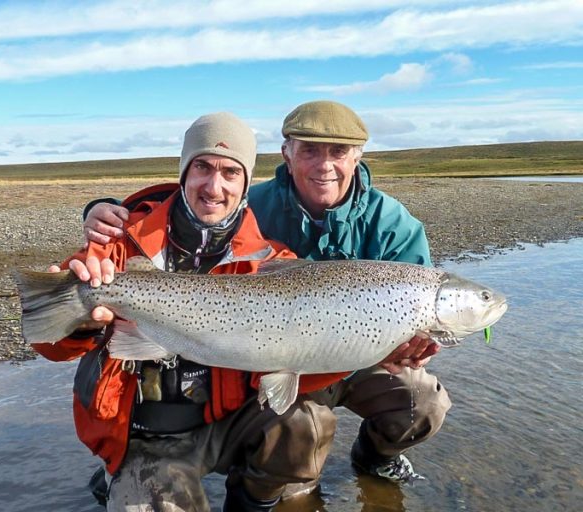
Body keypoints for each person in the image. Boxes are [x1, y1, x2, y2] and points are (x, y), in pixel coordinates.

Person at [84, 101, 452, 492]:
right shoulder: (249, 205)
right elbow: (191, 207)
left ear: (357, 156)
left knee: (423, 404)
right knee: (297, 470)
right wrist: (104, 210)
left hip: (362, 356)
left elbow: (420, 317)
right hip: (281, 353)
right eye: (309, 150)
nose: (324, 165)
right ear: (287, 154)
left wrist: (409, 347)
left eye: (338, 152)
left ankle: (375, 458)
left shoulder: (393, 225)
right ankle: (147, 469)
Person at [34, 112, 352, 512]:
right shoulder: (120, 242)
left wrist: (380, 342)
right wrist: (80, 320)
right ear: (184, 172)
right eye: (202, 167)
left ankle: (253, 503)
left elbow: (309, 361)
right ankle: (121, 477)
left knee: (307, 423)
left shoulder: (273, 263)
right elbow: (47, 340)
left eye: (230, 172)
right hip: (147, 438)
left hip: (229, 421)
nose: (214, 186)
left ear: (246, 183)